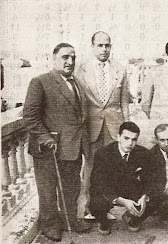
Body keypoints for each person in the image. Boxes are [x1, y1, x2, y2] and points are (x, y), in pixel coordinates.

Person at [23, 43, 91, 242]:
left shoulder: (77, 82)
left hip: (73, 146)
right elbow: (30, 116)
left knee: (71, 187)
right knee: (48, 189)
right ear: (54, 59)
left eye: (73, 57)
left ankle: (70, 219)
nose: (70, 61)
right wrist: (46, 138)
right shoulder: (40, 82)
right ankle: (50, 225)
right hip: (49, 148)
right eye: (65, 57)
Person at [75, 31, 130, 220]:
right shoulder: (80, 70)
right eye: (100, 45)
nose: (104, 49)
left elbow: (124, 102)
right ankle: (90, 208)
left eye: (107, 45)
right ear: (92, 47)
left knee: (111, 169)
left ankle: (106, 207)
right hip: (91, 127)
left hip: (114, 127)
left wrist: (127, 128)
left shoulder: (120, 69)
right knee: (90, 167)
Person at [89, 122, 150, 235]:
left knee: (154, 198)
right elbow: (98, 183)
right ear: (118, 137)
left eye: (134, 139)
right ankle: (104, 222)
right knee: (96, 203)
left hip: (130, 188)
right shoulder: (103, 153)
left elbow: (149, 179)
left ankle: (132, 218)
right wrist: (120, 200)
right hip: (110, 191)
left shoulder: (143, 153)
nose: (130, 143)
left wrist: (144, 195)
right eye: (126, 138)